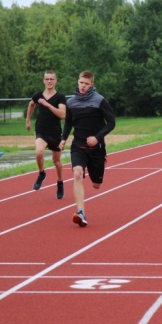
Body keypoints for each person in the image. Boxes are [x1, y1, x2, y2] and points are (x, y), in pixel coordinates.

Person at [60, 71, 115, 227]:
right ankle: (81, 212)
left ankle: (100, 163)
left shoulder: (100, 101)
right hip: (78, 146)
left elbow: (111, 122)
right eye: (81, 83)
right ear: (78, 82)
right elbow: (68, 123)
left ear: (92, 85)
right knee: (77, 173)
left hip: (96, 148)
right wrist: (63, 139)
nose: (83, 86)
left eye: (86, 84)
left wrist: (97, 137)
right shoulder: (70, 103)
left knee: (96, 185)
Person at [25, 70, 67, 199]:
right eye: (47, 79)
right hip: (41, 130)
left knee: (57, 161)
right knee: (39, 152)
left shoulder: (60, 97)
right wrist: (28, 120)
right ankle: (42, 173)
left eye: (51, 79)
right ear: (43, 81)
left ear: (56, 81)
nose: (49, 81)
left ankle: (60, 182)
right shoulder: (37, 95)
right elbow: (31, 104)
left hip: (55, 132)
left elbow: (62, 115)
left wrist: (47, 105)